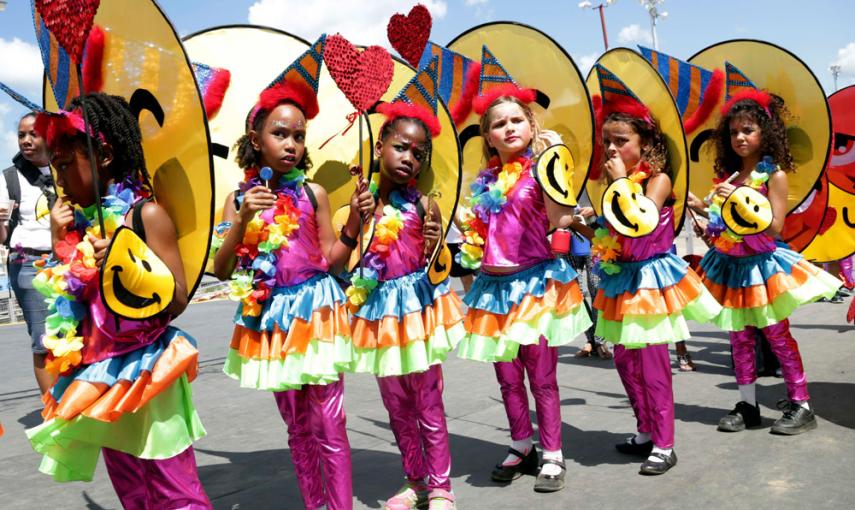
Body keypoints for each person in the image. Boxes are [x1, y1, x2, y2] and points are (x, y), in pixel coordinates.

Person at [26, 92, 211, 508]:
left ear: (103, 155)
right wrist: (60, 241)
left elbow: (178, 298)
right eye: (54, 166)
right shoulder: (80, 224)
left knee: (174, 489)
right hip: (100, 374)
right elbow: (65, 302)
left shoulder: (145, 216)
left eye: (65, 164)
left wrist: (132, 261)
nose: (59, 178)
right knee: (132, 492)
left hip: (149, 369)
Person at [211, 37, 371, 510]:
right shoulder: (238, 199)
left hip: (316, 312)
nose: (292, 143)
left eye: (299, 135)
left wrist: (357, 222)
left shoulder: (315, 194)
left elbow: (331, 258)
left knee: (329, 424)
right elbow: (222, 270)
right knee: (298, 428)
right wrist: (242, 220)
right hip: (270, 320)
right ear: (256, 136)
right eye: (281, 133)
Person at [455, 47, 592, 493]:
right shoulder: (487, 182)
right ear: (488, 136)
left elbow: (559, 219)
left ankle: (552, 451)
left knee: (542, 376)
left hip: (535, 283)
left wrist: (553, 160)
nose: (509, 127)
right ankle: (521, 444)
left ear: (532, 126)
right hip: (494, 287)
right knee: (507, 376)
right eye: (499, 123)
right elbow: (481, 234)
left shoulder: (542, 170)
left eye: (517, 120)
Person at [587, 64, 721, 476]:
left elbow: (641, 220)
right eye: (606, 140)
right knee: (626, 362)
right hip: (621, 281)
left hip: (650, 280)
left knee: (653, 364)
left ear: (645, 144)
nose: (611, 148)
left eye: (621, 141)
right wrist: (580, 222)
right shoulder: (614, 182)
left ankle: (665, 442)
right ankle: (644, 430)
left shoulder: (657, 180)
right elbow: (611, 231)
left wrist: (622, 182)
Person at [695, 64, 841, 435]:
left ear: (765, 133)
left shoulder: (773, 175)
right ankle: (748, 405)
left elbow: (774, 227)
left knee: (777, 334)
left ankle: (802, 403)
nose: (740, 138)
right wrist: (703, 211)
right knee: (739, 338)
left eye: (748, 130)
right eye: (733, 132)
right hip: (730, 266)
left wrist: (741, 202)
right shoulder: (728, 178)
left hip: (763, 266)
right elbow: (723, 229)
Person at [347, 58, 463, 510]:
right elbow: (346, 260)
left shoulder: (425, 207)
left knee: (428, 403)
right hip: (378, 315)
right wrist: (357, 219)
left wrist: (437, 246)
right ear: (380, 146)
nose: (408, 159)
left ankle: (440, 487)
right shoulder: (360, 201)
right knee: (396, 406)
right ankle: (413, 481)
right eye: (400, 148)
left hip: (418, 311)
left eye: (418, 154)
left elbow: (440, 268)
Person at [0, 112, 56, 394]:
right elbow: (2, 237)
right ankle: (56, 415)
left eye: (33, 134)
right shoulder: (8, 179)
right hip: (29, 263)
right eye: (22, 135)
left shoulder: (67, 168)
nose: (26, 140)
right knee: (45, 341)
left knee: (79, 335)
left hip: (72, 262)